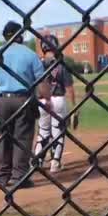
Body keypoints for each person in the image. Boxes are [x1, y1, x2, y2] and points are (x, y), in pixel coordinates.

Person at [0, 21, 51, 189]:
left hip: (3, 101)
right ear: (19, 35)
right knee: (23, 138)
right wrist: (47, 99)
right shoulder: (29, 54)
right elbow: (41, 81)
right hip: (24, 100)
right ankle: (19, 177)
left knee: (4, 137)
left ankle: (2, 176)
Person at [33, 35, 76, 173]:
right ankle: (55, 163)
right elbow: (69, 87)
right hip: (58, 99)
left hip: (42, 100)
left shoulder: (37, 63)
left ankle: (37, 162)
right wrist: (74, 107)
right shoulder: (61, 63)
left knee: (43, 131)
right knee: (58, 131)